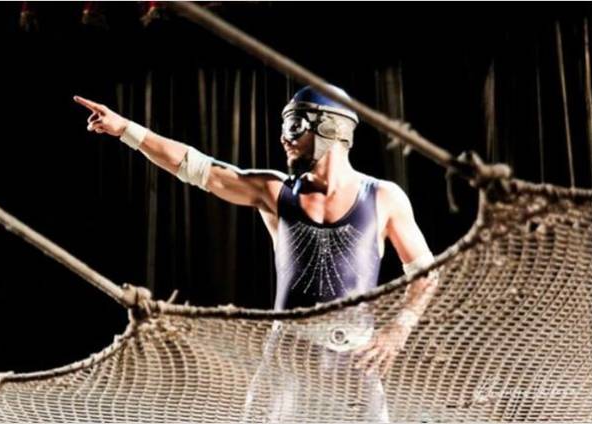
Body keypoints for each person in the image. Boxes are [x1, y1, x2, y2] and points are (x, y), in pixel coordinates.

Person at [74, 84, 438, 423]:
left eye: (294, 126)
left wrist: (399, 329)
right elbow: (197, 167)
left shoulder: (384, 198)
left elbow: (425, 273)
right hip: (287, 358)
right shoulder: (274, 191)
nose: (284, 138)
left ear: (329, 127)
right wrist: (126, 130)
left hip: (355, 361)